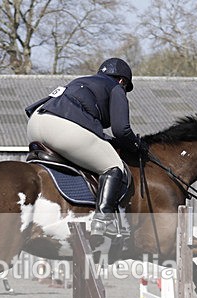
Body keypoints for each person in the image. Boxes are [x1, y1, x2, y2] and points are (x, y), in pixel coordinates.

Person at [25, 58, 141, 245]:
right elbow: (121, 130)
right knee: (113, 166)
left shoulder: (81, 81)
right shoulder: (116, 87)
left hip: (35, 124)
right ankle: (104, 220)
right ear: (122, 80)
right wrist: (136, 145)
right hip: (61, 126)